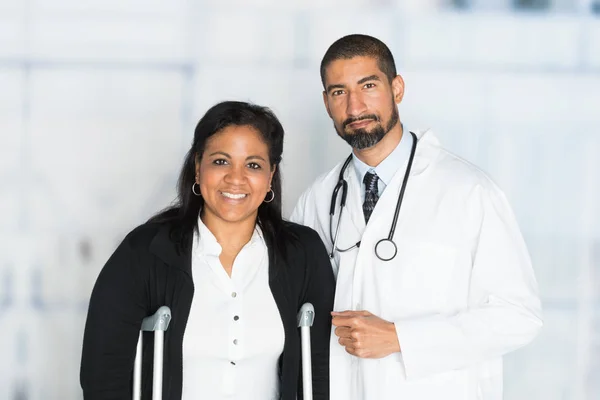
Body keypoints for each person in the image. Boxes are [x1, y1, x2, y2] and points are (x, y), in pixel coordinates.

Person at [290, 34, 543, 400]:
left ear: (397, 88)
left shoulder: (469, 190)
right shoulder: (317, 199)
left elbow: (520, 316)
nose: (355, 105)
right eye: (339, 92)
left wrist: (400, 337)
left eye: (368, 85)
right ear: (327, 103)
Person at [80, 101, 335, 400]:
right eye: (220, 161)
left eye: (253, 165)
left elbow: (320, 370)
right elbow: (104, 377)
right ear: (198, 168)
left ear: (270, 178)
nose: (235, 178)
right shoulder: (144, 252)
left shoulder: (302, 254)